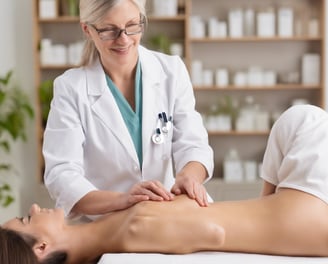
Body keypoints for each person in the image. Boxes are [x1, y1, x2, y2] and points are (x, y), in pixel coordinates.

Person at [3, 104, 328, 264]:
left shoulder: (119, 229)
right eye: (28, 219)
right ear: (41, 247)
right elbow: (212, 231)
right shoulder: (134, 230)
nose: (33, 207)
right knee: (307, 120)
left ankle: (267, 205)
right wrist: (181, 199)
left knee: (296, 120)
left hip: (289, 213)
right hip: (307, 218)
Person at [42, 0, 214, 221]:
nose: (123, 39)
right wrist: (124, 200)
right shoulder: (70, 89)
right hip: (107, 221)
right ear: (87, 29)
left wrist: (189, 176)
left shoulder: (171, 71)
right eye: (109, 30)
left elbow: (194, 145)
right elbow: (62, 174)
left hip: (169, 212)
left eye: (132, 25)